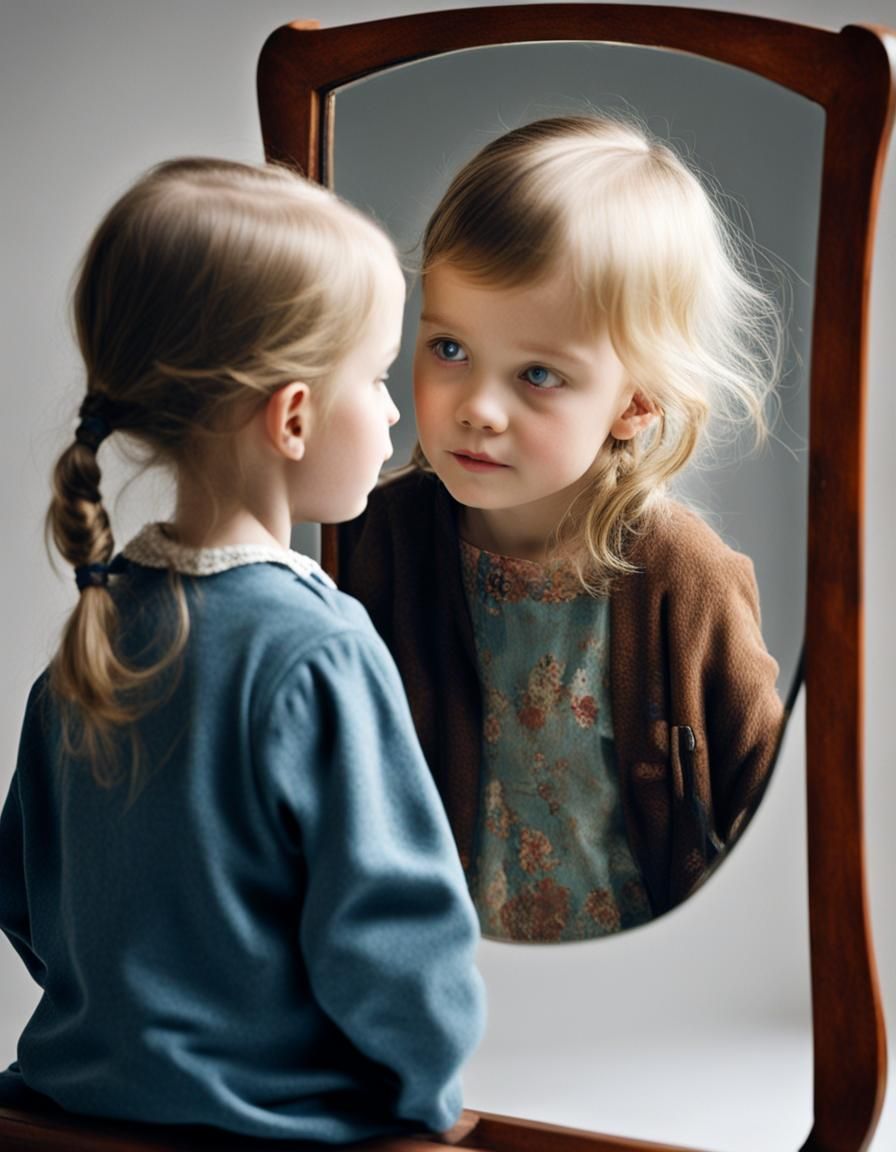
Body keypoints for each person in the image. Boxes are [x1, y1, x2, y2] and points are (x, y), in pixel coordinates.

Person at [0, 158, 485, 1142]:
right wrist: (427, 1102)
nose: (394, 412)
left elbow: (27, 897)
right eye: (378, 378)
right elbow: (395, 940)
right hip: (270, 1130)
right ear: (294, 417)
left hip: (66, 1115)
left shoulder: (93, 634)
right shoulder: (317, 651)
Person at [341, 116, 785, 944]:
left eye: (537, 373)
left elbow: (775, 806)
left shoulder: (687, 579)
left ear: (637, 402)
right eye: (448, 347)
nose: (476, 406)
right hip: (440, 978)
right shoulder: (384, 540)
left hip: (646, 983)